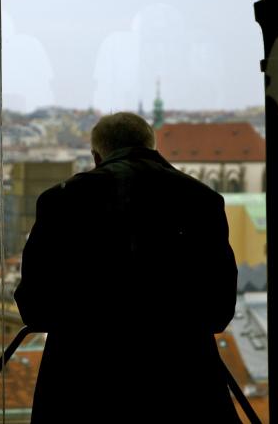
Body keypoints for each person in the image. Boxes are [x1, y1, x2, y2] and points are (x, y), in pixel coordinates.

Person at [14, 112, 240, 423]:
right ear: (152, 146)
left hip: (81, 385)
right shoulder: (203, 199)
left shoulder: (60, 201)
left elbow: (35, 307)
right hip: (183, 384)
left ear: (96, 156)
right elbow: (219, 309)